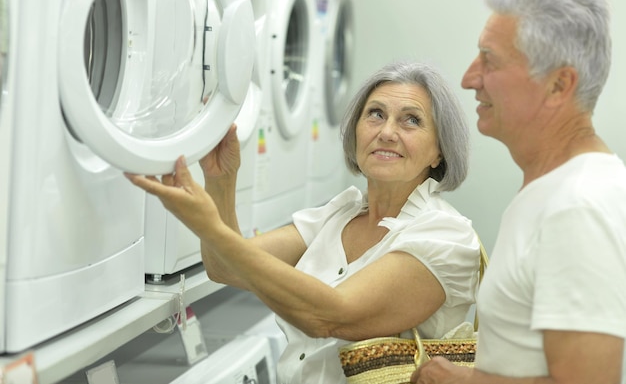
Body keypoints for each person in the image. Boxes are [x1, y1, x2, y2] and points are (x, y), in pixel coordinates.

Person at [126, 61, 481, 383]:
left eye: (411, 120)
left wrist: (211, 227)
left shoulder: (445, 236)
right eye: (375, 114)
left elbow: (330, 316)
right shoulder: (339, 213)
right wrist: (221, 181)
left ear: (439, 151)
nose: (387, 132)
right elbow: (226, 267)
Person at [412, 0, 626, 384]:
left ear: (559, 85)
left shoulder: (577, 208)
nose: (469, 78)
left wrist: (462, 382)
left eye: (490, 59)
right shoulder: (556, 190)